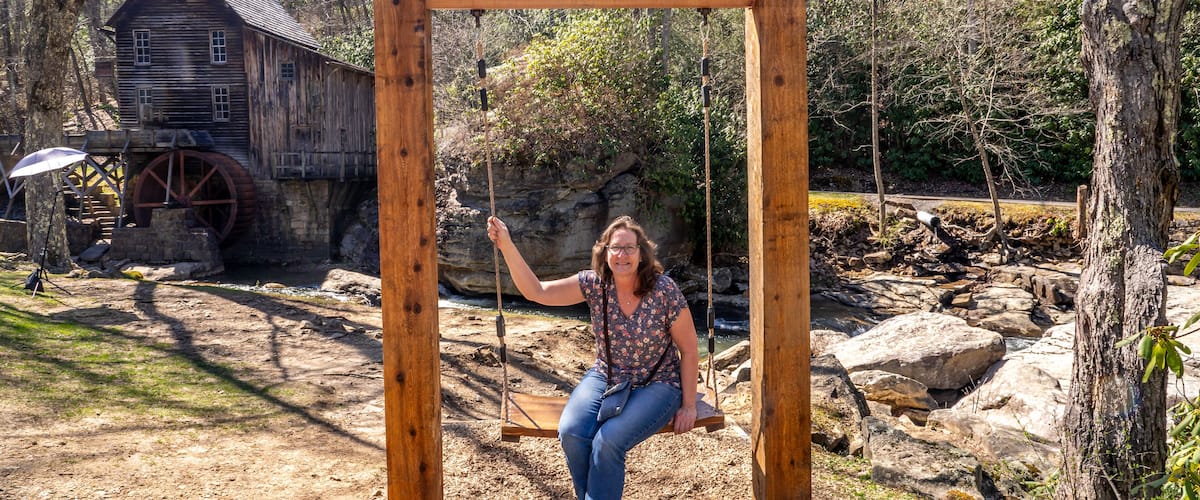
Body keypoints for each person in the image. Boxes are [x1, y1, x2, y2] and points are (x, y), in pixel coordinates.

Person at [487, 215, 699, 500]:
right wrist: (506, 245)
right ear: (605, 252)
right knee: (572, 432)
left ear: (642, 253)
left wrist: (688, 406)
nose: (622, 254)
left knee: (608, 441)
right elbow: (536, 291)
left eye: (629, 248)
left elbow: (689, 349)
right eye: (616, 248)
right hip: (607, 376)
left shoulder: (664, 291)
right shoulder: (594, 284)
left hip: (659, 383)